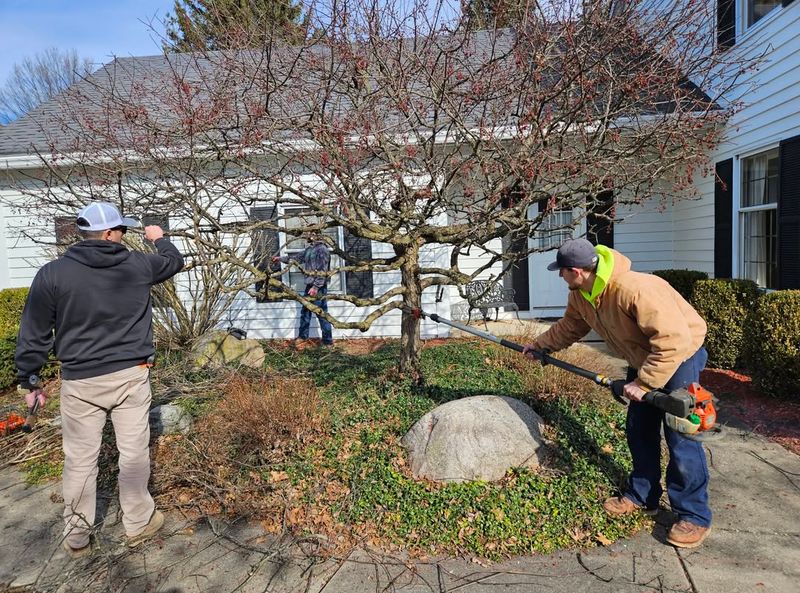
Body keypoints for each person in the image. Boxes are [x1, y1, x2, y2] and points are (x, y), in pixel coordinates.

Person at [15, 201, 184, 559]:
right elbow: (173, 262)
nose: (124, 236)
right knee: (133, 452)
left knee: (79, 459)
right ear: (108, 234)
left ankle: (77, 534)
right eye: (121, 230)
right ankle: (139, 522)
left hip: (81, 381)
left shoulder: (54, 273)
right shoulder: (137, 264)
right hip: (130, 377)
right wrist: (159, 239)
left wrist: (32, 380)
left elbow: (34, 332)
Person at [523, 238, 712, 549]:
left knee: (682, 437)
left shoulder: (635, 288)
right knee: (639, 429)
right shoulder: (582, 293)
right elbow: (571, 326)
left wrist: (645, 382)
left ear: (577, 271)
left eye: (562, 272)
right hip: (644, 358)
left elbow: (673, 341)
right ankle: (643, 494)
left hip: (680, 358)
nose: (560, 277)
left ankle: (693, 514)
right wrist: (540, 345)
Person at [272, 232, 333, 346]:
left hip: (318, 287)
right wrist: (280, 259)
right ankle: (303, 336)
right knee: (305, 312)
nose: (306, 236)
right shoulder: (310, 249)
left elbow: (322, 271)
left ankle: (328, 342)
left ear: (315, 235)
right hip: (310, 285)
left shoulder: (322, 250)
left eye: (309, 234)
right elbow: (296, 258)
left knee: (322, 314)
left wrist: (316, 287)